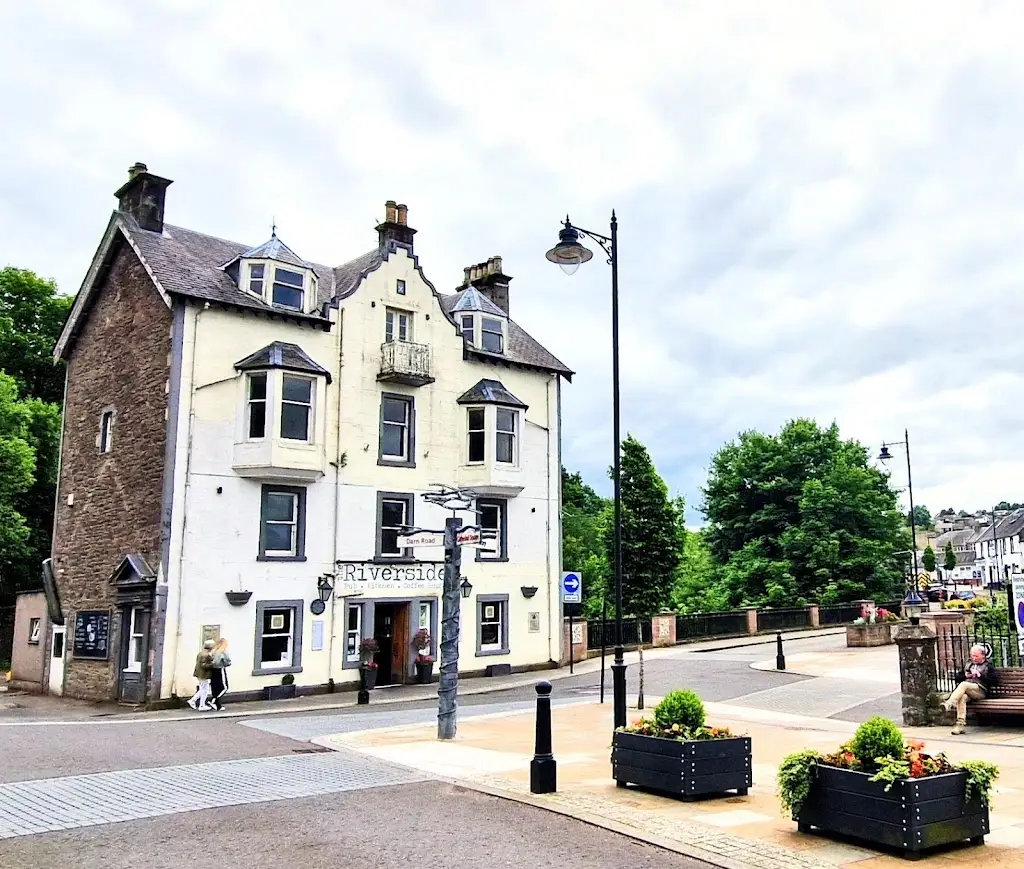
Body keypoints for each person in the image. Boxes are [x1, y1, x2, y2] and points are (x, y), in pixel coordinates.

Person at [942, 644, 996, 734]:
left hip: (980, 691)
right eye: (972, 656)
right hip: (969, 690)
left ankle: (950, 703)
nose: (974, 658)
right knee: (962, 697)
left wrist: (980, 675)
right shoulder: (969, 664)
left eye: (976, 656)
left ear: (983, 655)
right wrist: (966, 675)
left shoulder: (988, 666)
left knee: (964, 684)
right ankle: (960, 725)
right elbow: (957, 678)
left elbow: (993, 682)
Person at [189, 639, 216, 711]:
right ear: (211, 647)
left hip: (199, 673)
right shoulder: (206, 654)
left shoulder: (201, 653)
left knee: (203, 689)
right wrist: (212, 664)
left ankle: (193, 701)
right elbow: (203, 665)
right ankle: (201, 705)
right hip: (203, 674)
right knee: (205, 690)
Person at [209, 638, 232, 710]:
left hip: (213, 671)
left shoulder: (213, 651)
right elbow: (228, 662)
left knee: (215, 687)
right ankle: (214, 700)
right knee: (224, 687)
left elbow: (212, 661)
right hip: (220, 669)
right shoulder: (222, 652)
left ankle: (218, 705)